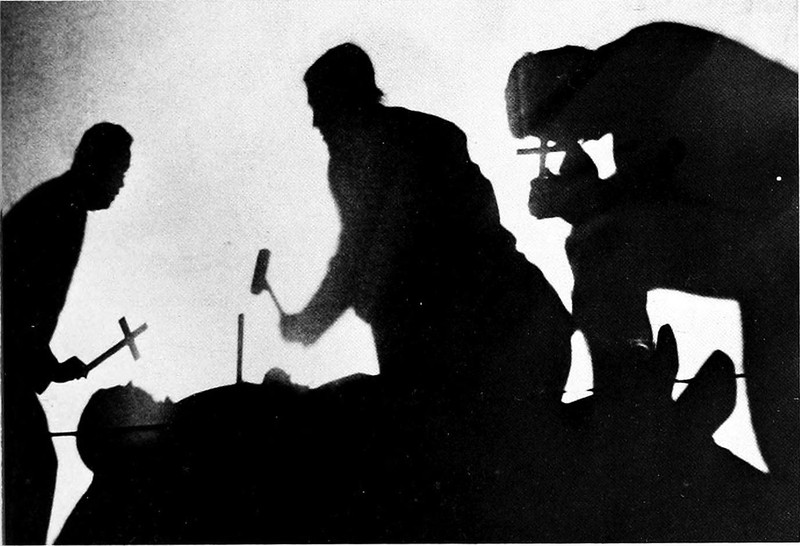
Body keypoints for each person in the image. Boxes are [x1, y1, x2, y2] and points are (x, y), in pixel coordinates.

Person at [279, 43, 573, 540]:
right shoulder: (394, 148)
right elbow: (363, 252)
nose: (316, 123)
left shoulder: (405, 146)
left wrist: (313, 319)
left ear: (351, 97)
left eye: (320, 106)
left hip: (492, 343)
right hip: (510, 332)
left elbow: (363, 250)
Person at [505, 21, 798, 508]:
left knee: (599, 245)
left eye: (561, 131)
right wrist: (584, 196)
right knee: (781, 426)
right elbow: (666, 192)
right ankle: (638, 392)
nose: (578, 139)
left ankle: (631, 393)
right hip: (772, 243)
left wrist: (580, 198)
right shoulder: (636, 87)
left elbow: (663, 175)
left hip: (778, 231)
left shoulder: (645, 61)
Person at [2, 122, 133, 544]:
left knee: (34, 465)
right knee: (36, 465)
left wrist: (49, 366)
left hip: (12, 364)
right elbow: (18, 298)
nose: (121, 184)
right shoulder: (61, 209)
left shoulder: (62, 204)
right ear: (96, 164)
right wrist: (42, 365)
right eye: (119, 171)